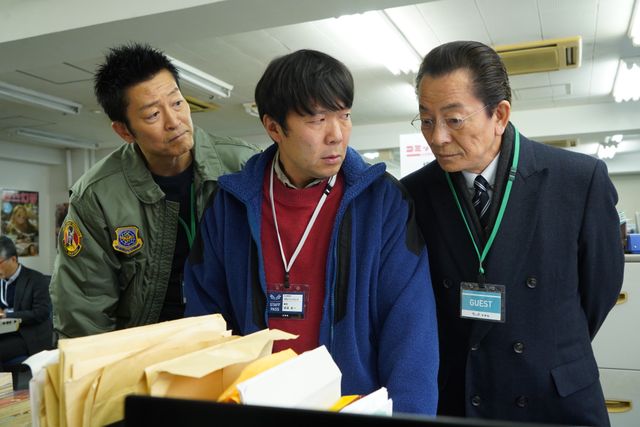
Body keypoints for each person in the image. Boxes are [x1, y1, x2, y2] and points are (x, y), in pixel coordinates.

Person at [183, 49, 439, 415]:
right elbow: (205, 324)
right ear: (274, 128)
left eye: (344, 115)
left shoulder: (382, 202)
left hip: (353, 407)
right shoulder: (229, 206)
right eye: (317, 120)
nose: (337, 135)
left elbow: (411, 331)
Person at [401, 40, 625, 426]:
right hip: (463, 392)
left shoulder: (578, 180)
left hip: (554, 393)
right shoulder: (415, 193)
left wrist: (542, 345)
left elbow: (599, 292)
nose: (437, 137)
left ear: (500, 115)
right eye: (426, 120)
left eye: (454, 120)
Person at [50, 42, 260, 338]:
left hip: (237, 339)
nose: (174, 122)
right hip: (150, 346)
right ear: (124, 131)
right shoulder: (97, 196)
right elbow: (83, 308)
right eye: (152, 115)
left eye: (177, 103)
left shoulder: (244, 166)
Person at [0, 236, 52, 369]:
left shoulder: (36, 280)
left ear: (13, 259)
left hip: (29, 335)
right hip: (5, 332)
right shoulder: (1, 280)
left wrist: (6, 316)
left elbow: (41, 313)